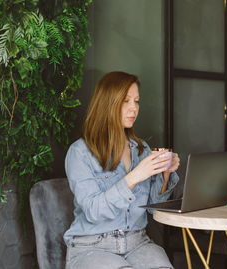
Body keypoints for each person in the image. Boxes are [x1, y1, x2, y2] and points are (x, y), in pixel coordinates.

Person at [63, 71, 180, 269]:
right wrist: (134, 177)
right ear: (107, 104)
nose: (133, 108)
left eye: (136, 101)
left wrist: (165, 175)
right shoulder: (80, 152)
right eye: (126, 101)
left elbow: (153, 208)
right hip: (92, 246)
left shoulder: (142, 149)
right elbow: (93, 210)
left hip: (137, 243)